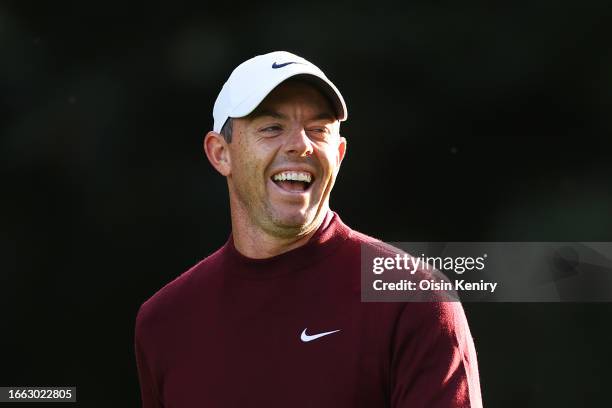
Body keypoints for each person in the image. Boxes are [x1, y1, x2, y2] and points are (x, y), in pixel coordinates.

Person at [134, 51, 482, 407]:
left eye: (318, 130)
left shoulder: (412, 298)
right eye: (271, 128)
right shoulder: (165, 321)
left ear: (339, 154)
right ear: (221, 153)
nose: (301, 145)